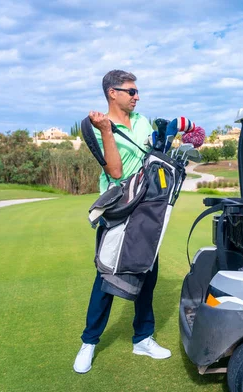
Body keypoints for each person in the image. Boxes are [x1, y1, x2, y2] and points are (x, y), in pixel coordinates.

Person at [73, 70, 171, 374]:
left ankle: (142, 338)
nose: (137, 96)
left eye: (137, 91)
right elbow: (115, 171)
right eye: (131, 91)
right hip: (117, 209)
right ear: (112, 93)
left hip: (145, 209)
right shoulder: (100, 126)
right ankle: (89, 342)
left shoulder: (142, 121)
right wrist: (106, 130)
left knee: (147, 274)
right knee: (107, 278)